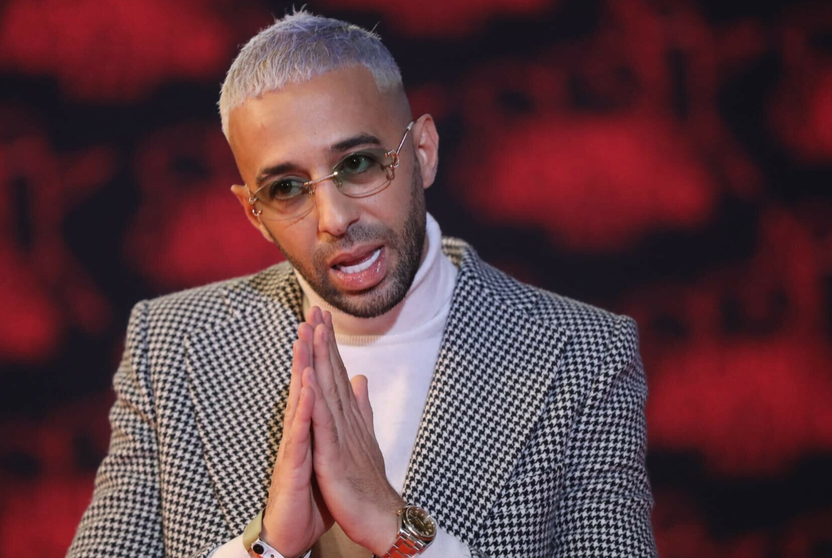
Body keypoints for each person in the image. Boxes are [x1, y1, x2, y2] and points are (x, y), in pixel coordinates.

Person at [67, 10, 657, 558]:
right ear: (255, 214)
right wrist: (267, 547)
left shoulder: (585, 356)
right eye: (286, 189)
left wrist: (396, 530)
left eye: (357, 164)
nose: (334, 218)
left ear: (423, 151)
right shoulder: (171, 344)